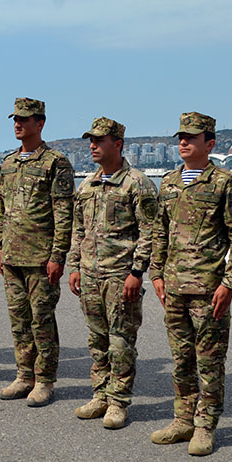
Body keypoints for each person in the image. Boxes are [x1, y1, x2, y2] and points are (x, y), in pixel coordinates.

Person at [148, 112, 232, 453]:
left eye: (192, 137)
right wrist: (156, 273)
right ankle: (182, 419)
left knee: (209, 361)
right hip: (174, 288)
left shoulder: (224, 182)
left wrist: (229, 283)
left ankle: (205, 426)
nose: (183, 142)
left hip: (208, 290)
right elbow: (159, 232)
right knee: (181, 360)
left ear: (211, 143)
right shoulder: (168, 182)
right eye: (181, 136)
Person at [67, 117, 158, 427]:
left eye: (99, 140)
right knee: (97, 340)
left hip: (121, 275)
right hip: (91, 275)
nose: (92, 145)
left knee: (120, 342)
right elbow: (78, 230)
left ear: (117, 144)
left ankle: (118, 401)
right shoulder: (87, 184)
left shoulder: (137, 183)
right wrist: (75, 266)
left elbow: (150, 232)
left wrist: (137, 272)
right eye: (90, 140)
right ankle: (100, 394)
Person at [0, 97, 74, 407]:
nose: (18, 124)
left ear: (39, 123)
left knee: (41, 320)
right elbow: (3, 210)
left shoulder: (55, 162)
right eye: (15, 118)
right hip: (13, 256)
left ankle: (44, 380)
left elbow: (63, 213)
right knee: (18, 320)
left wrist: (58, 255)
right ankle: (24, 374)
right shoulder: (9, 162)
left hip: (41, 258)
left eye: (25, 119)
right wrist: (0, 246)